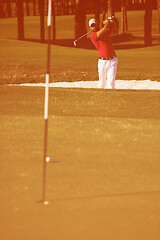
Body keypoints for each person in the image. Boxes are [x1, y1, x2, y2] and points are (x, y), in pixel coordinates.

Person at [89, 18, 118, 89]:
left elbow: (115, 32)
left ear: (97, 24)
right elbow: (103, 30)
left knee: (111, 83)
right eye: (92, 26)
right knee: (101, 83)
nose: (94, 27)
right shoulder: (93, 36)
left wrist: (113, 23)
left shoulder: (105, 32)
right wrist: (107, 23)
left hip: (112, 60)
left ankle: (111, 99)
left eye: (95, 24)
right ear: (90, 27)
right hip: (102, 62)